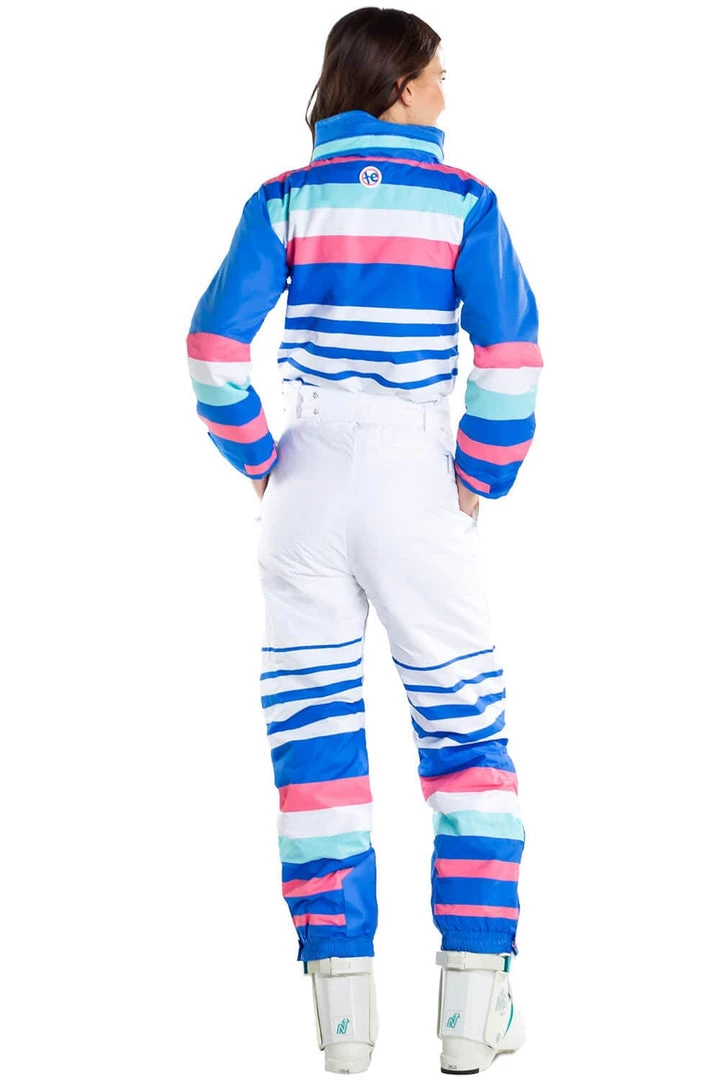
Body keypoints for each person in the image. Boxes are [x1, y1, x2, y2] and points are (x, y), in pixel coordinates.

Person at [186, 7, 543, 1074]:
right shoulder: (464, 200)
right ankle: (471, 1011)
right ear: (398, 87)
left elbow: (212, 346)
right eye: (438, 76)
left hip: (304, 479)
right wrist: (481, 476)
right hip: (415, 478)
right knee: (466, 742)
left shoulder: (284, 198)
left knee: (315, 751)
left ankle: (344, 1029)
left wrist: (263, 461)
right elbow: (512, 355)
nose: (444, 94)